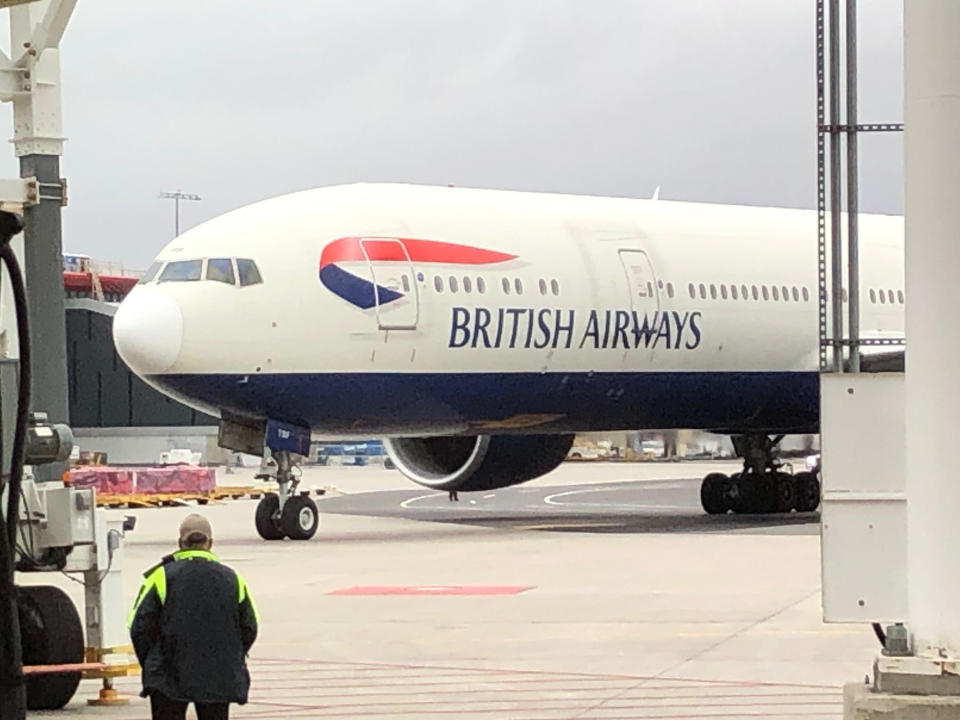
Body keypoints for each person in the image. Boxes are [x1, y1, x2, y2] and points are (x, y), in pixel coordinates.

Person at [128, 514, 258, 720]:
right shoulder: (233, 578)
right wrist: (229, 658)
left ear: (180, 543)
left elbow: (139, 626)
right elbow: (250, 627)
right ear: (210, 543)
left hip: (168, 675)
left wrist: (154, 662)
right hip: (218, 675)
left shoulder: (161, 577)